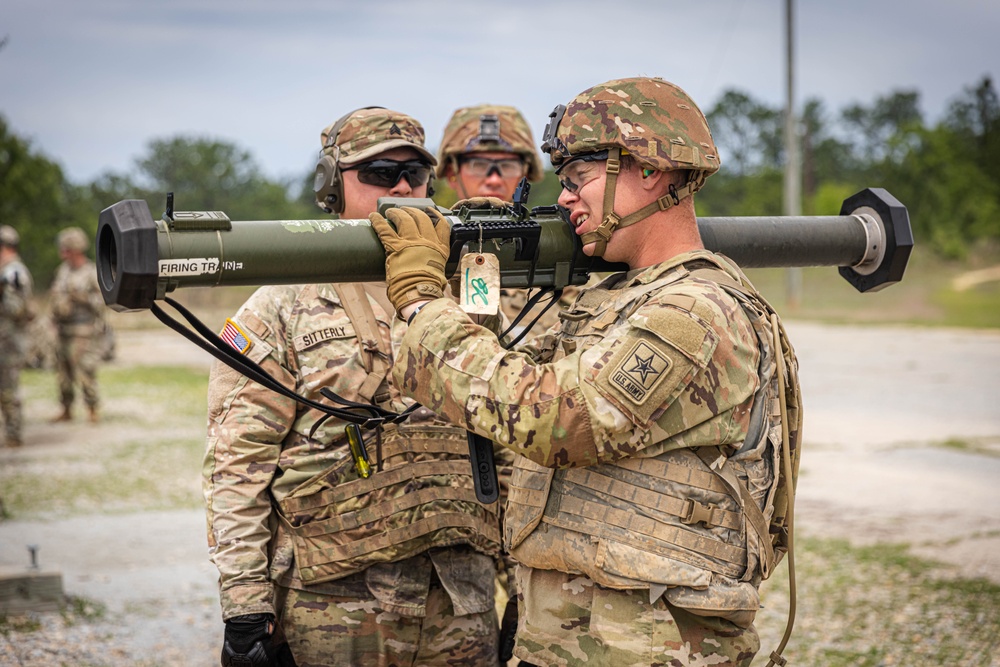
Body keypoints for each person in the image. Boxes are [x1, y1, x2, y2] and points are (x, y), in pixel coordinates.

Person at [371, 77, 803, 667]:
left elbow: (554, 419)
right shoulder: (620, 299)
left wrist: (421, 302)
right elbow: (508, 375)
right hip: (588, 635)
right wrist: (473, 264)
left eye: (579, 178)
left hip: (645, 646)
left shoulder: (694, 311)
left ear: (649, 170)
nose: (566, 198)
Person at [204, 107, 506, 667]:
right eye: (379, 173)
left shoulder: (469, 293)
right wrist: (245, 608)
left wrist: (519, 592)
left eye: (415, 173)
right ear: (332, 186)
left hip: (460, 604)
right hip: (334, 610)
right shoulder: (280, 304)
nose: (402, 187)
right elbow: (237, 464)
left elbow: (504, 442)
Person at [437, 104, 571, 340]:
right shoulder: (427, 271)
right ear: (452, 173)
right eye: (479, 165)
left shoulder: (565, 273)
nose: (494, 179)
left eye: (507, 166)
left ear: (525, 175)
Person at [49, 226, 105, 423]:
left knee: (85, 371)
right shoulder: (62, 271)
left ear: (76, 249)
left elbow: (102, 302)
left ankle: (92, 409)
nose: (62, 253)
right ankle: (66, 409)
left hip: (84, 331)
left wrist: (82, 297)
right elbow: (55, 297)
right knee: (63, 373)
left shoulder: (91, 272)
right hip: (63, 329)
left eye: (66, 249)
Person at [0, 225, 34, 448]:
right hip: (5, 339)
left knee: (8, 388)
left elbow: (18, 308)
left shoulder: (13, 272)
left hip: (9, 341)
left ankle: (13, 434)